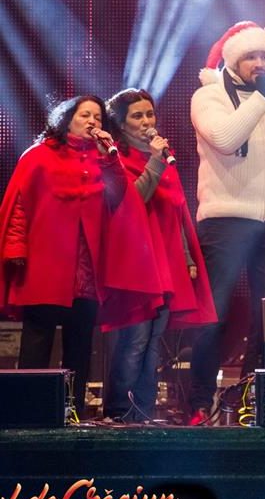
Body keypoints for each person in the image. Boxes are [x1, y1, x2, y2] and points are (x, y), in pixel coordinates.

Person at [0, 95, 163, 415]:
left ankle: (71, 409)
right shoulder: (38, 155)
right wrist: (16, 247)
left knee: (79, 345)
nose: (92, 122)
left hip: (86, 271)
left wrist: (109, 159)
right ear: (67, 119)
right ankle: (26, 411)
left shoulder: (103, 159)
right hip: (45, 265)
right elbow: (18, 204)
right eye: (85, 115)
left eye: (98, 118)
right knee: (37, 340)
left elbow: (120, 198)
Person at [188, 21, 265, 425]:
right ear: (234, 59)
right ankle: (199, 401)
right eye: (251, 56)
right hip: (226, 217)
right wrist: (262, 98)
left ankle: (254, 397)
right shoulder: (209, 95)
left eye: (264, 56)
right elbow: (226, 138)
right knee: (214, 314)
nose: (259, 63)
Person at [103, 88, 216, 422]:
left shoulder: (165, 159)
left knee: (154, 343)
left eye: (149, 114)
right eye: (137, 116)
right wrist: (154, 160)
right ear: (121, 123)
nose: (146, 121)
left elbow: (177, 211)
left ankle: (144, 411)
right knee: (135, 341)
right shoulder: (115, 159)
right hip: (136, 263)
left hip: (166, 261)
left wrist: (188, 259)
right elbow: (133, 200)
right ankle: (119, 411)